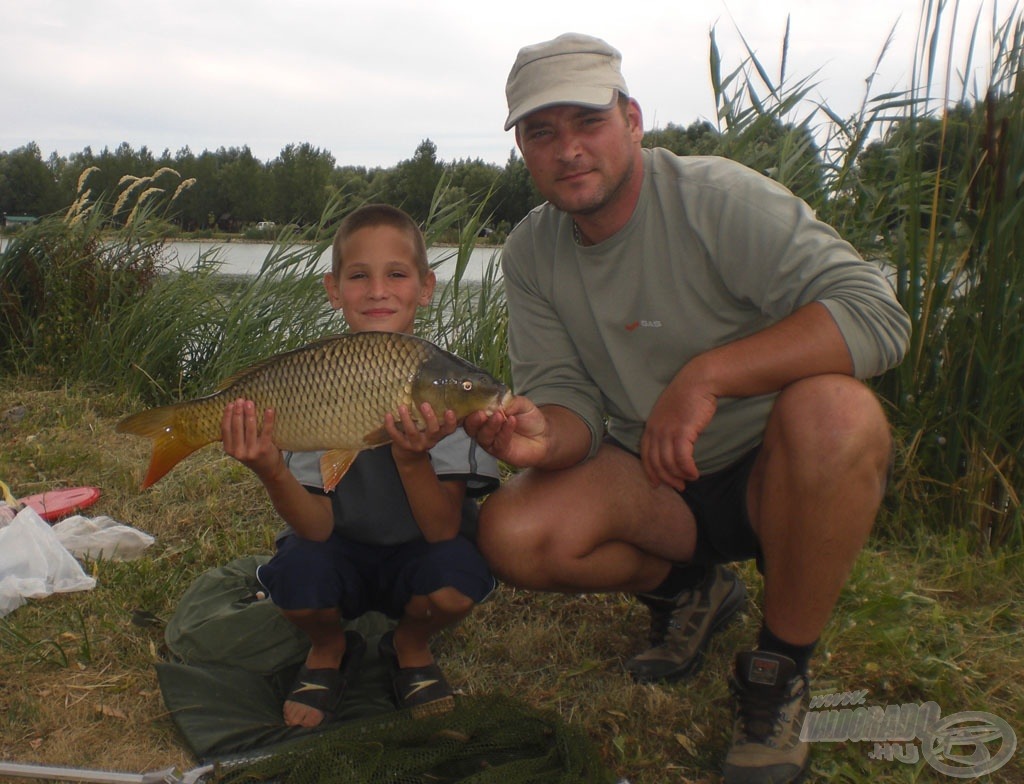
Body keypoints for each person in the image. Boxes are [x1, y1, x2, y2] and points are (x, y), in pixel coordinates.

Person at [464, 33, 910, 784]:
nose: (568, 149)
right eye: (542, 132)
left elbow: (877, 315)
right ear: (523, 151)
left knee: (840, 412)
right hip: (659, 484)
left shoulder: (719, 199)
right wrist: (542, 441)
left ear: (633, 120)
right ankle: (691, 592)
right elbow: (570, 403)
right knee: (512, 531)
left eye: (588, 122)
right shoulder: (531, 252)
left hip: (775, 470)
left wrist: (709, 376)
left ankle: (780, 670)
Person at [221, 203, 500, 727]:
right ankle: (328, 647)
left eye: (396, 274)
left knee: (458, 576)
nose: (378, 290)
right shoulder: (319, 378)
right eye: (359, 276)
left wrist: (413, 458)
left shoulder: (443, 390)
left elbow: (442, 530)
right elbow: (316, 526)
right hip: (338, 548)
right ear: (333, 290)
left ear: (425, 287)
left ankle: (410, 645)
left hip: (420, 552)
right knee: (295, 576)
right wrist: (271, 469)